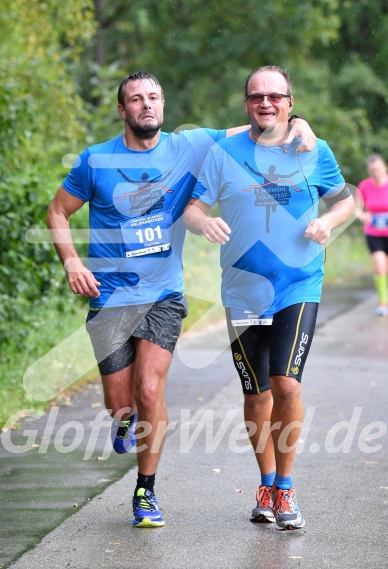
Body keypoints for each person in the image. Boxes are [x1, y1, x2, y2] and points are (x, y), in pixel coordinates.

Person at [46, 71, 317, 528]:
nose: (146, 105)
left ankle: (145, 492)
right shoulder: (95, 161)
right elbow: (57, 211)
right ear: (123, 110)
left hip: (163, 296)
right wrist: (72, 261)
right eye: (135, 99)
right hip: (110, 296)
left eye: (153, 97)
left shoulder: (188, 146)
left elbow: (257, 125)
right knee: (122, 404)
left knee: (150, 390)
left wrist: (301, 122)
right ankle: (123, 419)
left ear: (164, 105)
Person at [184, 65, 355, 530]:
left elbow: (346, 201)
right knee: (256, 392)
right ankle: (264, 483)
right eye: (257, 96)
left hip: (299, 284)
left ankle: (285, 486)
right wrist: (205, 223)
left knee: (286, 384)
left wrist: (329, 223)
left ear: (290, 103)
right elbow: (194, 207)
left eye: (275, 96)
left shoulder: (313, 149)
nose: (266, 103)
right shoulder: (223, 153)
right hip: (242, 290)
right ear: (246, 104)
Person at [355, 154, 388, 316]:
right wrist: (363, 216)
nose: (376, 172)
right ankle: (383, 301)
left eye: (378, 169)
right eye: (372, 170)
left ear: (385, 167)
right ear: (369, 170)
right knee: (380, 267)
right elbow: (356, 209)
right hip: (374, 233)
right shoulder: (364, 186)